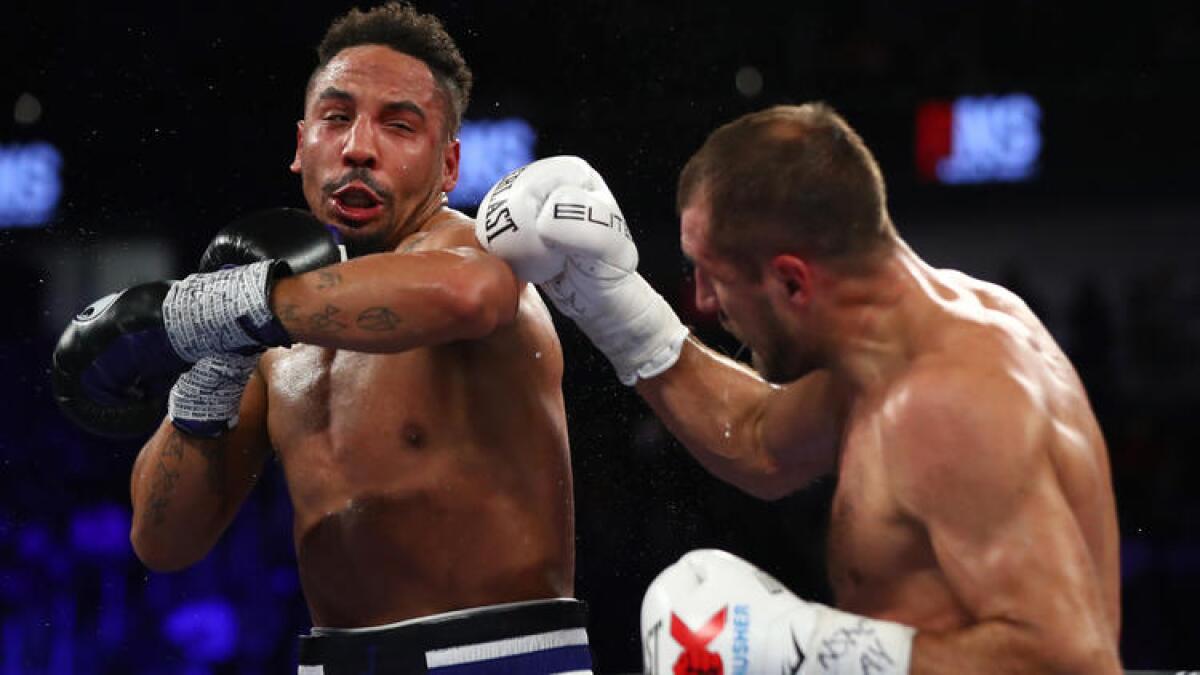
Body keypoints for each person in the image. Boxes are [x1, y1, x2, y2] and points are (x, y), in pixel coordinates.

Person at [473, 104, 1122, 673]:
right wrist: (605, 299)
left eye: (712, 276)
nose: (701, 300)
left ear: (791, 281)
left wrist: (807, 649)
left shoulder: (951, 400)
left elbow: (1071, 662)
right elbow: (761, 439)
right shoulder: (897, 344)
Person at [54, 4, 591, 674]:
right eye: (337, 118)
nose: (359, 146)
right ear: (301, 143)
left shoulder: (483, 256)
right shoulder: (278, 323)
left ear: (449, 164)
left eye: (399, 125)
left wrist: (211, 306)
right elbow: (163, 540)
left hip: (498, 659)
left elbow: (467, 296)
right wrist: (216, 356)